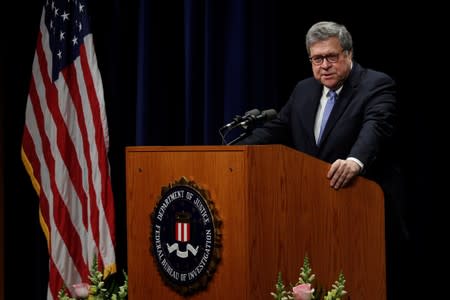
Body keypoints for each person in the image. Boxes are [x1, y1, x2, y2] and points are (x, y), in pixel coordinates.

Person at [236, 21, 410, 300]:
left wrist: (355, 160)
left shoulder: (376, 84)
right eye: (317, 59)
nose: (325, 65)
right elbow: (275, 130)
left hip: (363, 209)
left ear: (349, 54)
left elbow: (375, 127)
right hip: (314, 212)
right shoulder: (304, 90)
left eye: (332, 56)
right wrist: (236, 154)